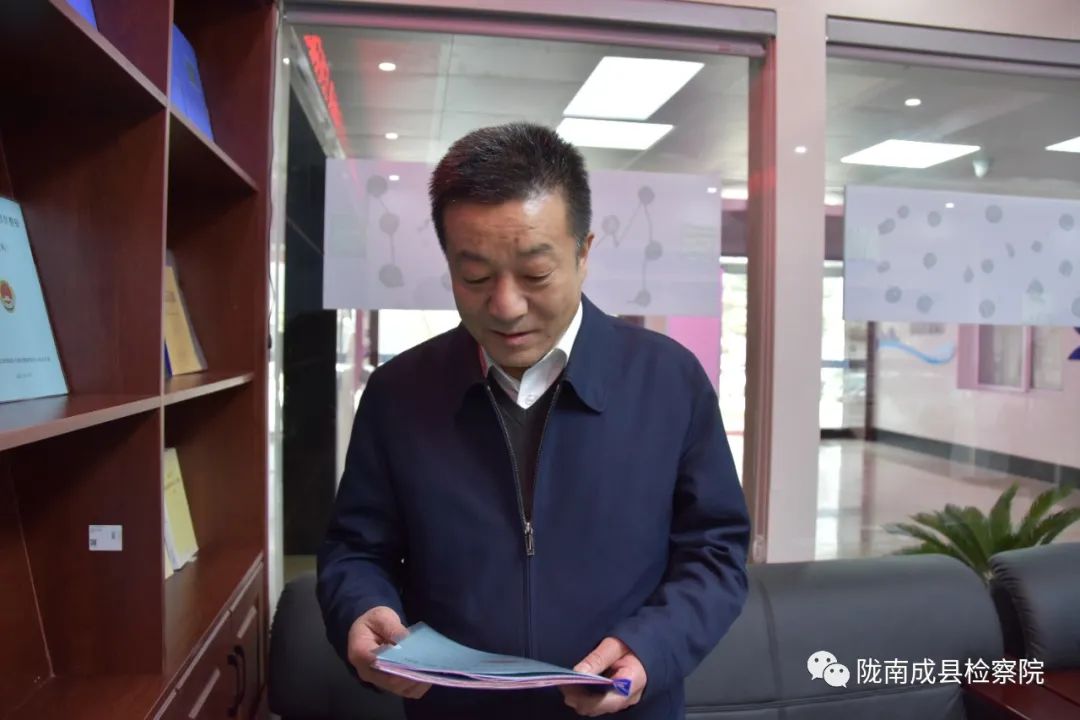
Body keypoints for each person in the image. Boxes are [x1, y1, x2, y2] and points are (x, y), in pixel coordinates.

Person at [317, 122, 750, 719]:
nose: (506, 306)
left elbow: (715, 552)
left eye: (536, 274)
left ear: (584, 253)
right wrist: (358, 609)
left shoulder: (669, 381)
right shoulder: (399, 393)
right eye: (474, 276)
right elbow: (355, 550)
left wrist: (652, 647)